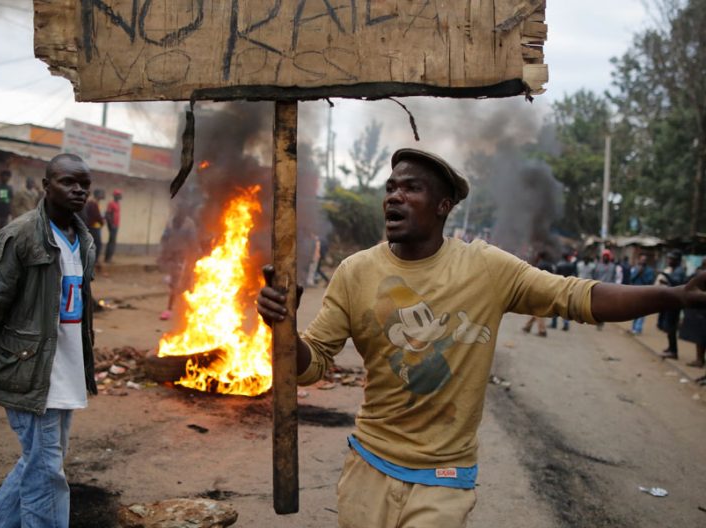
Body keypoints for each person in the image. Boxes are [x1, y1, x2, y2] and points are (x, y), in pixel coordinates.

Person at [256, 148, 706, 528]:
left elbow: (578, 297)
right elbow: (312, 365)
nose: (395, 195)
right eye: (390, 187)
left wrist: (674, 295)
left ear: (443, 205)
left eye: (411, 187)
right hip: (368, 466)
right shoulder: (355, 272)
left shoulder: (486, 268)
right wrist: (285, 330)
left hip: (443, 478)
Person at [0, 153, 97, 527]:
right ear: (46, 187)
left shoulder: (82, 237)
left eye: (84, 184)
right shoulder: (19, 235)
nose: (78, 190)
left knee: (40, 465)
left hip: (66, 371)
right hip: (30, 370)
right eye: (68, 182)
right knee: (46, 476)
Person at [158, 208, 197, 321]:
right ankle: (171, 309)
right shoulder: (170, 222)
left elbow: (193, 242)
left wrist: (193, 255)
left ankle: (183, 309)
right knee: (174, 283)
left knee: (184, 283)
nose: (179, 215)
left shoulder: (189, 224)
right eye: (178, 213)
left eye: (182, 213)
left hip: (183, 256)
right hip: (172, 256)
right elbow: (165, 238)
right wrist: (163, 253)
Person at [657, 250, 687, 359]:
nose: (669, 261)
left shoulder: (679, 271)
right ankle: (670, 348)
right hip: (673, 302)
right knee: (669, 327)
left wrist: (665, 274)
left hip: (675, 303)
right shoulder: (676, 270)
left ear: (677, 260)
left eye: (671, 259)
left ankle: (673, 351)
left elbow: (677, 283)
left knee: (671, 327)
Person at [681, 258, 706, 384]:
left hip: (702, 313)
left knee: (701, 339)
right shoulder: (699, 274)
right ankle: (700, 360)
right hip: (700, 313)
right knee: (700, 339)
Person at [522, 251, 555, 337]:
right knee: (536, 309)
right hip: (548, 288)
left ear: (539, 256)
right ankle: (527, 326)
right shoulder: (550, 265)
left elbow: (536, 277)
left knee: (537, 310)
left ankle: (542, 330)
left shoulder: (540, 265)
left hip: (539, 289)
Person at [592, 249, 622, 330]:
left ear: (609, 257)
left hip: (608, 290)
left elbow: (614, 277)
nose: (605, 258)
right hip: (598, 288)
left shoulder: (613, 266)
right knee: (597, 307)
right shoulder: (598, 265)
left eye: (607, 256)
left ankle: (601, 322)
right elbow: (594, 276)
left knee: (604, 308)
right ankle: (597, 320)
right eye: (604, 256)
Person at [628, 254, 655, 335]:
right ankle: (633, 328)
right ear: (639, 260)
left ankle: (638, 329)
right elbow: (631, 279)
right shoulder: (635, 268)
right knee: (634, 311)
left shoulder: (650, 271)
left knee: (642, 312)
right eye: (641, 259)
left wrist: (642, 274)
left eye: (644, 260)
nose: (643, 261)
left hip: (644, 294)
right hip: (635, 293)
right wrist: (637, 273)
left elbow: (649, 282)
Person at [551, 252, 577, 331]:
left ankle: (554, 323)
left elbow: (555, 275)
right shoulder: (571, 265)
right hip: (568, 286)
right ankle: (566, 324)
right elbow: (575, 275)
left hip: (559, 286)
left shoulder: (559, 264)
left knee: (555, 305)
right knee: (565, 306)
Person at [84, 189, 106, 265]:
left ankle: (93, 260)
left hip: (95, 226)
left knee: (95, 244)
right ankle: (94, 261)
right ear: (97, 195)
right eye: (101, 194)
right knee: (97, 244)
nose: (103, 195)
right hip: (93, 227)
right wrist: (102, 221)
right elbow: (96, 215)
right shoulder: (93, 203)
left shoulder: (94, 203)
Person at [104, 189, 122, 263]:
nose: (120, 196)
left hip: (116, 225)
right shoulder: (111, 203)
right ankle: (108, 258)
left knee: (112, 241)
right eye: (118, 195)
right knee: (111, 241)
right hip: (112, 225)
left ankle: (109, 257)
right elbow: (108, 214)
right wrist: (111, 225)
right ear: (115, 196)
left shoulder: (118, 204)